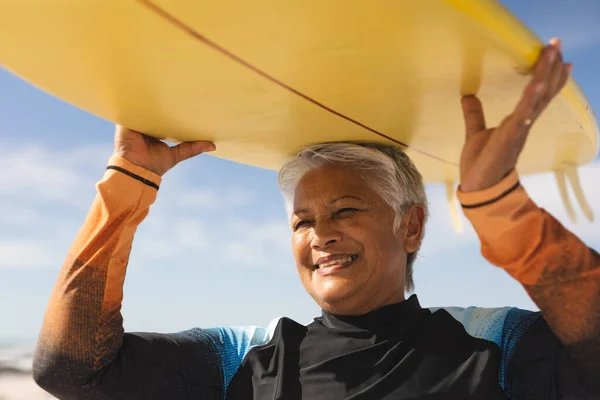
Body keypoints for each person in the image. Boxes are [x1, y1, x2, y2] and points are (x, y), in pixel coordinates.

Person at [32, 39, 598, 399]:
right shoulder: (246, 360)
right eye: (301, 221)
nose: (320, 234)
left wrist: (498, 206)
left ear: (412, 225)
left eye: (345, 210)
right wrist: (128, 186)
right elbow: (71, 371)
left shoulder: (490, 346)